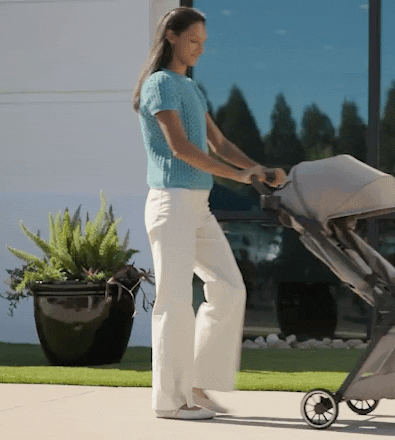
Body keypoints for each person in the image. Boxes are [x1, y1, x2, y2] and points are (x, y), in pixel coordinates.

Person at [132, 7, 285, 420]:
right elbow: (182, 149)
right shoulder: (159, 85)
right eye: (193, 40)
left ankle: (196, 384)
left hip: (197, 206)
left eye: (203, 42)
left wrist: (257, 171)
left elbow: (219, 143)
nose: (200, 49)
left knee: (229, 289)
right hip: (171, 201)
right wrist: (239, 176)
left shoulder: (190, 89)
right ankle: (169, 400)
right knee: (175, 302)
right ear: (172, 37)